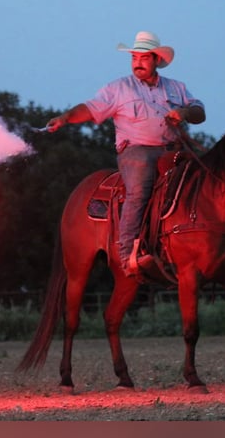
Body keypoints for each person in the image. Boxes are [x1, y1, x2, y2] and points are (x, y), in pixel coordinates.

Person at [46, 31, 206, 278]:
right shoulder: (119, 88)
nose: (137, 62)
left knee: (201, 181)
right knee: (140, 187)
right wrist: (66, 118)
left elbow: (199, 112)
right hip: (136, 151)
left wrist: (184, 113)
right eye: (134, 57)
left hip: (173, 150)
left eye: (143, 57)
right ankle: (127, 254)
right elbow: (91, 108)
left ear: (155, 59)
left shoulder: (176, 88)